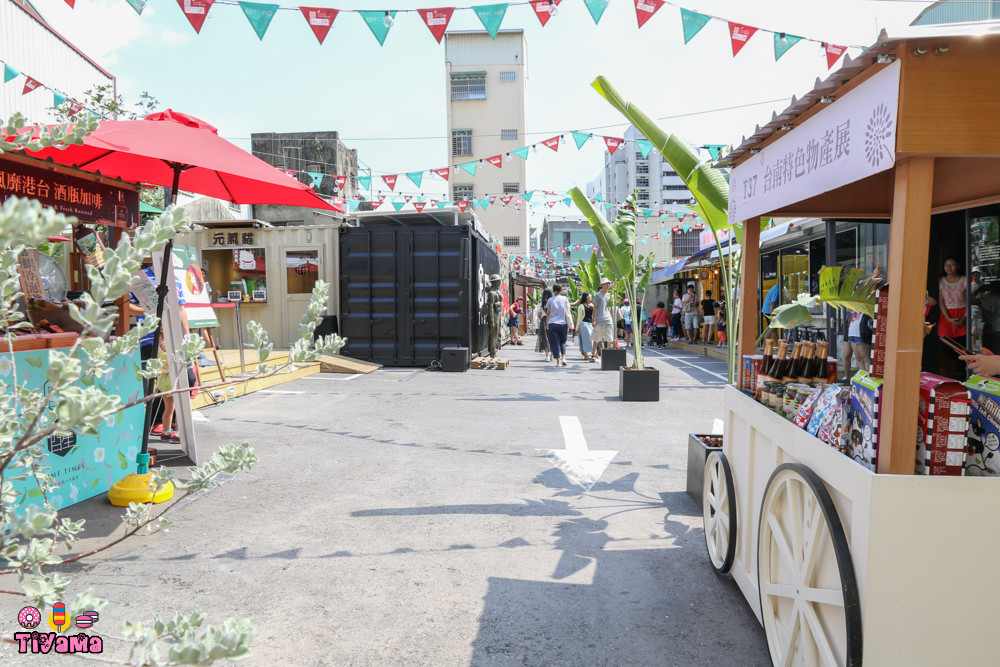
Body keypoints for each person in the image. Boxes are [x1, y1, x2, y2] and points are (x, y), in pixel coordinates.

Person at [939, 257, 967, 339]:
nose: (948, 267)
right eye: (946, 265)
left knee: (963, 341)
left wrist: (964, 318)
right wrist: (948, 318)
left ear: (958, 266)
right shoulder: (941, 281)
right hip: (947, 315)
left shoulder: (965, 280)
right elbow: (941, 302)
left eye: (951, 265)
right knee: (946, 341)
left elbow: (969, 300)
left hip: (963, 313)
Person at [546, 284, 571, 367]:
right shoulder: (564, 299)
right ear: (561, 290)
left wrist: (547, 322)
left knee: (555, 343)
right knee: (563, 342)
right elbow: (568, 310)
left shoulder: (550, 300)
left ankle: (558, 361)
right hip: (563, 324)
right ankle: (564, 358)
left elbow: (548, 313)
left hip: (552, 324)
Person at [592, 277, 615, 358]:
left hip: (608, 319)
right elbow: (595, 308)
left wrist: (612, 318)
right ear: (602, 285)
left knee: (609, 338)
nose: (608, 285)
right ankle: (593, 353)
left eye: (609, 283)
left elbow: (612, 308)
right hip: (599, 319)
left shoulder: (610, 296)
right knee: (597, 337)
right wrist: (593, 320)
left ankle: (609, 356)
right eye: (606, 283)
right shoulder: (598, 295)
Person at [575, 293, 596, 362]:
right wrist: (577, 328)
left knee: (591, 339)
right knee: (586, 339)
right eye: (590, 296)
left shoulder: (592, 305)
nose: (591, 297)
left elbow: (595, 314)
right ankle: (586, 355)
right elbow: (579, 318)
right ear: (586, 297)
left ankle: (587, 353)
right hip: (584, 324)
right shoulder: (581, 306)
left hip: (591, 324)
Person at [535, 287, 552, 362]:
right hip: (552, 320)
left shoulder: (541, 304)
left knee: (545, 339)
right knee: (552, 338)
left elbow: (538, 314)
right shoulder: (552, 303)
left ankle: (547, 356)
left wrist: (541, 318)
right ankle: (553, 355)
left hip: (544, 320)